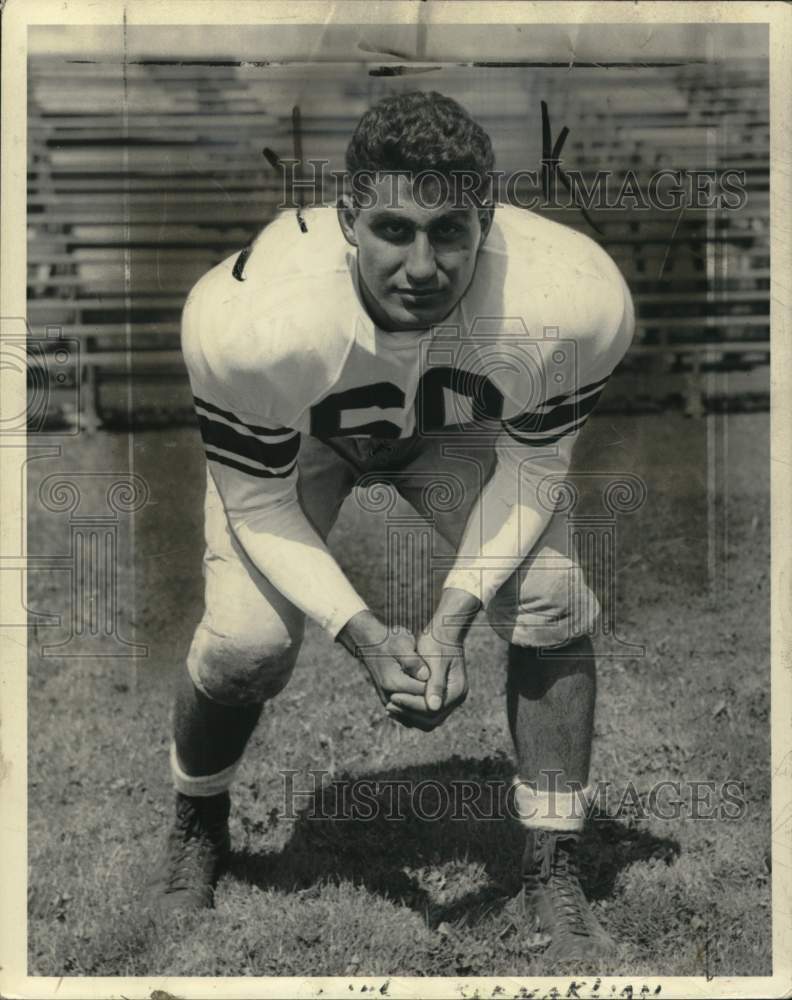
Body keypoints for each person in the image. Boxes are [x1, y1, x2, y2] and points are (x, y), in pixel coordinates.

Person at [151, 91, 634, 962]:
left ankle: (552, 865)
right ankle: (199, 819)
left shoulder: (569, 296)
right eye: (393, 230)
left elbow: (531, 469)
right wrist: (368, 637)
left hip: (450, 435)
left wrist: (449, 621)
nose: (422, 265)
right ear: (348, 220)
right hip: (307, 443)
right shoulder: (254, 321)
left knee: (551, 598)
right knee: (248, 644)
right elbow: (258, 501)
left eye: (449, 231)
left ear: (487, 220)